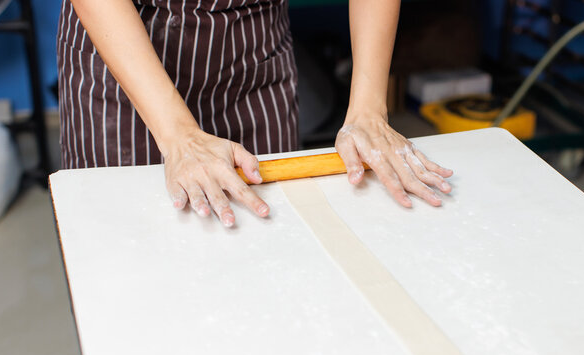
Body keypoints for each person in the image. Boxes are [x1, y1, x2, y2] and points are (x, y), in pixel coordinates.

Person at [58, 0, 453, 228]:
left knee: (266, 240)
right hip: (127, 54)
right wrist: (178, 136)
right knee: (139, 258)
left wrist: (368, 109)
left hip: (253, 50)